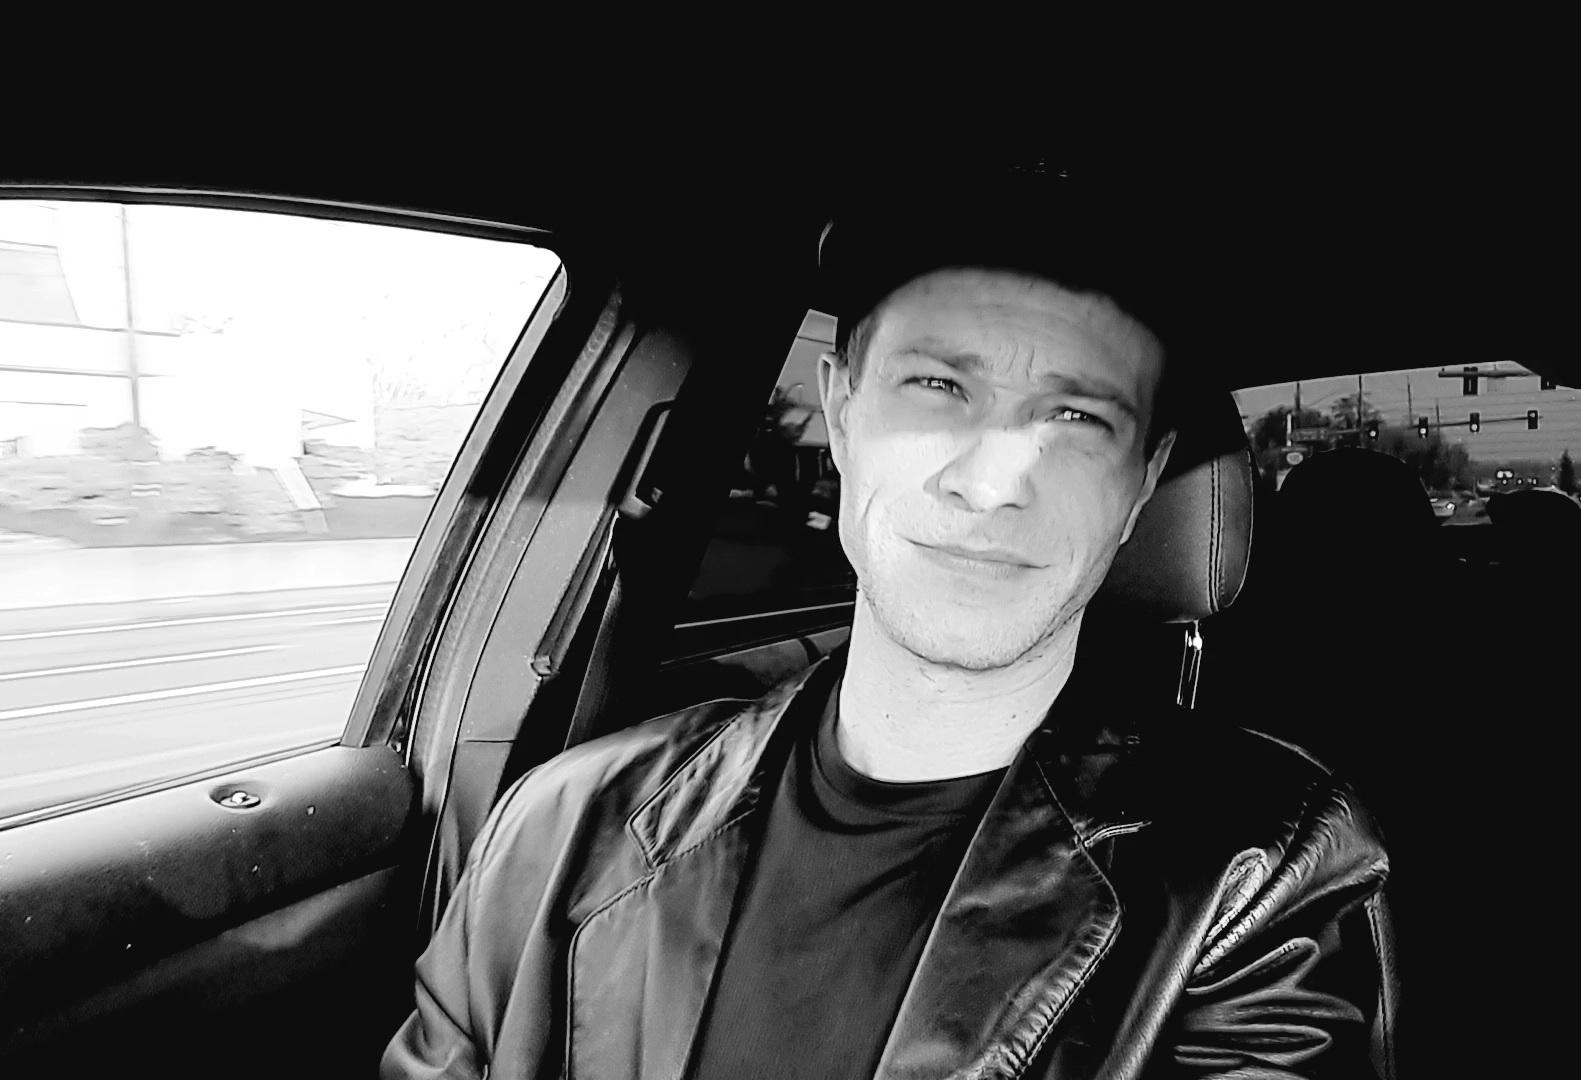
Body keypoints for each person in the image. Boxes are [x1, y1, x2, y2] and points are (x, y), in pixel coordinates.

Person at [382, 179, 1396, 1079]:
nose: (992, 482)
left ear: (1140, 487)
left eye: (1078, 419)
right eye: (940, 388)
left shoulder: (1256, 870)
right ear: (842, 414)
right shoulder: (552, 832)